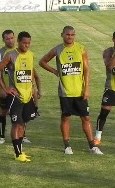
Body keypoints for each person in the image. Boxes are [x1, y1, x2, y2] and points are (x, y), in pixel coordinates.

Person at [39, 25, 102, 155]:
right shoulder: (58, 50)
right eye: (67, 34)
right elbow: (42, 61)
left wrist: (86, 88)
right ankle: (67, 146)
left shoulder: (81, 49)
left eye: (72, 35)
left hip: (79, 91)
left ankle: (92, 146)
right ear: (62, 35)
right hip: (65, 91)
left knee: (86, 118)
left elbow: (86, 70)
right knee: (66, 117)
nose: (70, 37)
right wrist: (55, 71)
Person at [0, 31, 39, 162]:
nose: (27, 45)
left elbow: (30, 73)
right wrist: (5, 88)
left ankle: (20, 152)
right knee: (16, 124)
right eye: (24, 43)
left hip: (27, 96)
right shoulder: (10, 55)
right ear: (18, 42)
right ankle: (18, 153)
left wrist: (32, 88)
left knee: (22, 124)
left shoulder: (31, 55)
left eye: (29, 43)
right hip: (15, 97)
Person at [0, 29, 16, 144]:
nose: (10, 40)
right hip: (6, 88)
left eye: (12, 38)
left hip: (19, 89)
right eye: (7, 39)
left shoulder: (20, 51)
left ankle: (23, 135)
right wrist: (2, 88)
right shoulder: (0, 53)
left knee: (19, 112)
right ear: (3, 40)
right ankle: (1, 136)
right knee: (3, 111)